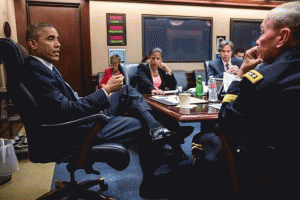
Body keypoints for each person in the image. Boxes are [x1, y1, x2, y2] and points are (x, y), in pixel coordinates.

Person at [23, 22, 193, 198]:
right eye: (51, 39)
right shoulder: (36, 70)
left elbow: (67, 104)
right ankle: (151, 176)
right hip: (78, 129)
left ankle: (157, 128)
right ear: (33, 43)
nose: (58, 44)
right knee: (141, 125)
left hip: (81, 119)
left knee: (125, 90)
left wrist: (106, 92)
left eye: (57, 39)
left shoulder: (44, 67)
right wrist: (105, 91)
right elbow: (66, 110)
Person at [195, 2, 300, 198]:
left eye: (261, 32)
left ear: (283, 37)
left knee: (203, 139)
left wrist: (242, 73)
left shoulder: (262, 79)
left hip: (275, 176)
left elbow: (225, 118)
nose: (258, 41)